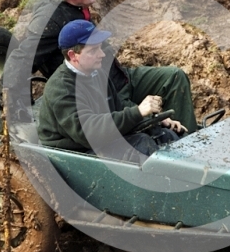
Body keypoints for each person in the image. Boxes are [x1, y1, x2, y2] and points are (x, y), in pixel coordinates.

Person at [0, 0, 198, 135]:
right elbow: (22, 59)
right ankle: (177, 155)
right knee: (146, 123)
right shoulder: (51, 20)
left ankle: (189, 141)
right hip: (102, 89)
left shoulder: (75, 5)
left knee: (174, 77)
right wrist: (2, 105)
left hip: (117, 77)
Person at [35, 20, 185, 162]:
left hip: (98, 140)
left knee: (165, 135)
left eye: (100, 47)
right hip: (71, 153)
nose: (102, 54)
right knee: (141, 145)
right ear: (73, 56)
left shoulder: (96, 73)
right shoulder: (61, 87)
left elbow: (117, 108)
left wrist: (154, 119)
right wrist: (137, 112)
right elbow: (88, 133)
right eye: (94, 50)